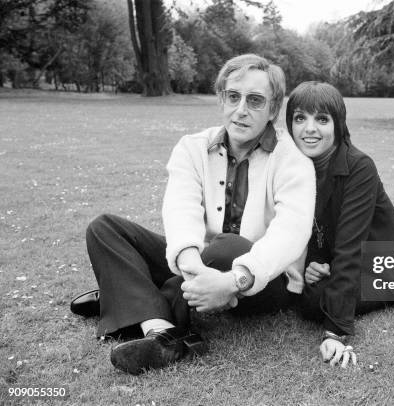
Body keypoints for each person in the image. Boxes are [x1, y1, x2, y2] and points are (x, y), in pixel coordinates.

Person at [70, 54, 316, 374]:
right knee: (104, 228)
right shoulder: (192, 147)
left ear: (273, 109)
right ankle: (164, 332)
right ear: (221, 99)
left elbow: (291, 233)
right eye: (233, 96)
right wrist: (191, 265)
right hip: (202, 261)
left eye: (255, 101)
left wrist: (233, 281)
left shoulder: (293, 160)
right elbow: (180, 208)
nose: (241, 110)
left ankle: (125, 294)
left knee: (228, 246)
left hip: (265, 279)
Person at [285, 81, 394, 368]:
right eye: (300, 118)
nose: (309, 129)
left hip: (386, 268)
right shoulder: (300, 166)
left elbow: (351, 245)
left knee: (312, 300)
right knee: (305, 288)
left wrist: (335, 332)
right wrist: (314, 262)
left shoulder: (359, 166)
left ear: (338, 125)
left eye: (322, 119)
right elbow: (311, 224)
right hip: (345, 263)